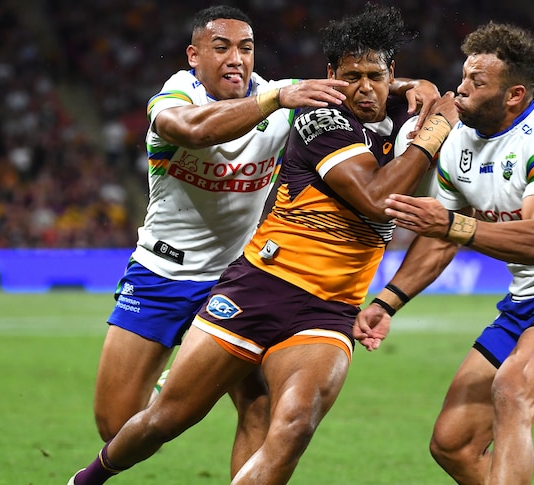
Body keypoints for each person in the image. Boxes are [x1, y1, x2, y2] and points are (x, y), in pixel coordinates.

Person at [67, 4, 457, 484]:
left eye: (246, 48)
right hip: (163, 273)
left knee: (263, 409)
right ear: (194, 56)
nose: (237, 58)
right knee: (118, 424)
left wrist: (412, 85)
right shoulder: (179, 98)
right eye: (222, 47)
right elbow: (192, 129)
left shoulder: (287, 98)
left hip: (243, 274)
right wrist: (278, 100)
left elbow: (359, 83)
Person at [354, 21, 534, 485]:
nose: (460, 90)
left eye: (476, 83)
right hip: (522, 306)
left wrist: (453, 224)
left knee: (513, 389)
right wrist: (387, 301)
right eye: (463, 77)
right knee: (453, 444)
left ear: (514, 95)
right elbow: (440, 237)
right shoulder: (457, 140)